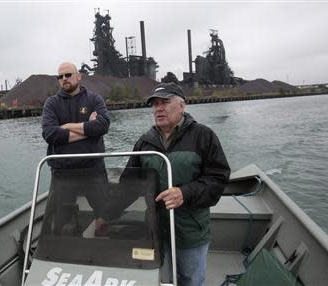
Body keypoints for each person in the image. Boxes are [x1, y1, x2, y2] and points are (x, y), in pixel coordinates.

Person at [99, 82, 230, 286]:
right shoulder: (144, 143)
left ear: (181, 106)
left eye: (165, 102)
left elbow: (218, 178)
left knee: (191, 280)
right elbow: (128, 186)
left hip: (190, 231)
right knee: (161, 280)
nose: (158, 108)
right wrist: (106, 215)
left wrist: (184, 193)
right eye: (155, 104)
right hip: (155, 230)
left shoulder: (203, 136)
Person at [41, 62, 110, 232]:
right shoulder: (51, 104)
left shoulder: (94, 99)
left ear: (78, 76)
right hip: (63, 173)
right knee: (60, 221)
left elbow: (102, 126)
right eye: (60, 76)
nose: (64, 79)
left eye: (68, 75)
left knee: (106, 215)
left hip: (93, 170)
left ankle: (107, 243)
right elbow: (50, 134)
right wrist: (88, 128)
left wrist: (66, 126)